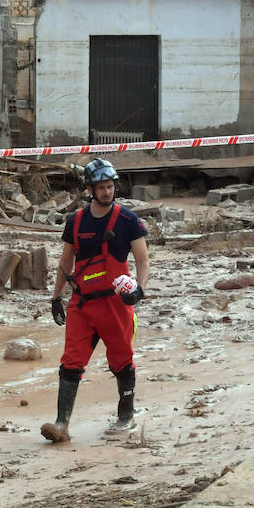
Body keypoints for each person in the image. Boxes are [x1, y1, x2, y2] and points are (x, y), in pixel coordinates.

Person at [41, 159, 150, 444]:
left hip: (116, 306)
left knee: (121, 361)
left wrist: (139, 289)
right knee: (70, 363)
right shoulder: (75, 222)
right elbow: (66, 261)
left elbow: (143, 260)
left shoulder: (129, 221)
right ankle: (61, 424)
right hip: (82, 304)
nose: (106, 192)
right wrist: (56, 297)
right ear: (90, 189)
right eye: (101, 187)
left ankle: (126, 417)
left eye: (110, 186)